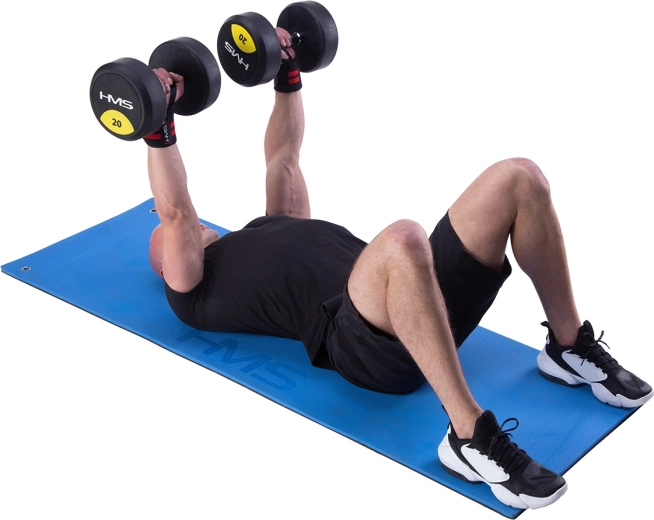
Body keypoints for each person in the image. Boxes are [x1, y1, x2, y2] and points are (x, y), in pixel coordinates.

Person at [145, 28, 651, 510]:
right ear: (168, 266)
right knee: (404, 238)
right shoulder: (193, 295)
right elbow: (176, 212)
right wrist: (158, 126)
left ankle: (568, 346)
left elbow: (283, 156)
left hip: (418, 301)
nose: (173, 226)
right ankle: (469, 437)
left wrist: (287, 72)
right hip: (361, 344)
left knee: (519, 177)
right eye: (164, 238)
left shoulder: (268, 224)